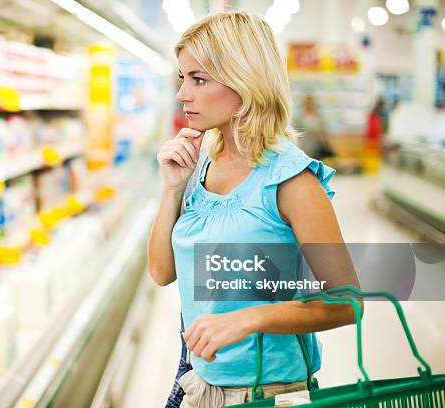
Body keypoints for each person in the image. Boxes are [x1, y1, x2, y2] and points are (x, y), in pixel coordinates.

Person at [147, 12, 361, 408]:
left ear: (243, 80)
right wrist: (172, 189)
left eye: (198, 79)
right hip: (198, 384)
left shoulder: (291, 181)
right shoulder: (202, 164)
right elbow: (162, 273)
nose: (182, 94)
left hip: (267, 394)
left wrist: (250, 318)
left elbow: (347, 301)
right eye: (182, 78)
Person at [296, 94, 333, 160]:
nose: (309, 105)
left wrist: (321, 137)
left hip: (318, 147)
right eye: (307, 103)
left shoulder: (320, 117)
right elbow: (296, 133)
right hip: (305, 147)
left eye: (311, 103)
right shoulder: (299, 118)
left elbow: (324, 132)